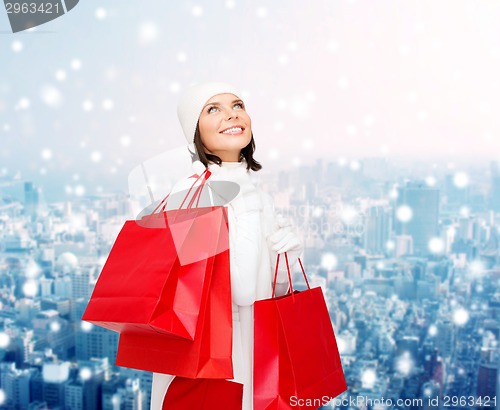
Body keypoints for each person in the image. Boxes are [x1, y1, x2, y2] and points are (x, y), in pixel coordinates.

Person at [150, 82, 303, 410]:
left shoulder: (255, 192)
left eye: (237, 105)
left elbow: (267, 290)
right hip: (215, 363)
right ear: (195, 132)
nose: (231, 114)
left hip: (253, 352)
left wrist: (286, 252)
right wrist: (245, 206)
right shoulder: (190, 192)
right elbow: (241, 290)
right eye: (212, 109)